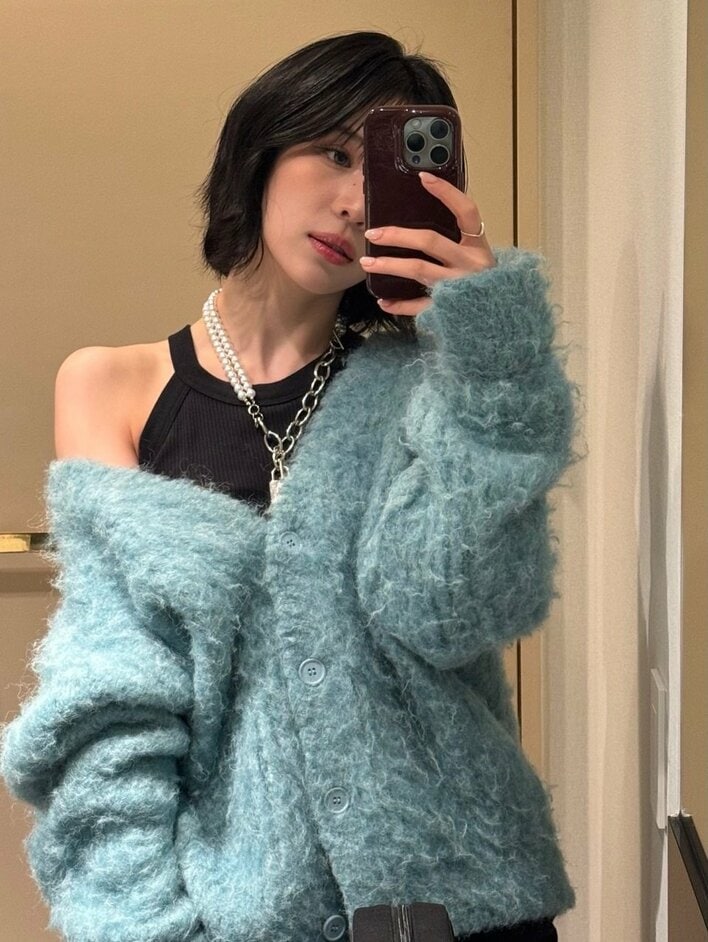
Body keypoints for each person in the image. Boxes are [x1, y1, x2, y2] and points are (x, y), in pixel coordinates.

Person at [0, 31, 578, 942]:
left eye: (381, 171)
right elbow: (113, 686)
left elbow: (456, 612)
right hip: (246, 912)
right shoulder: (110, 387)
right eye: (334, 154)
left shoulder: (431, 386)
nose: (354, 203)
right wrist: (134, 917)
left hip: (464, 901)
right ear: (263, 147)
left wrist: (490, 358)